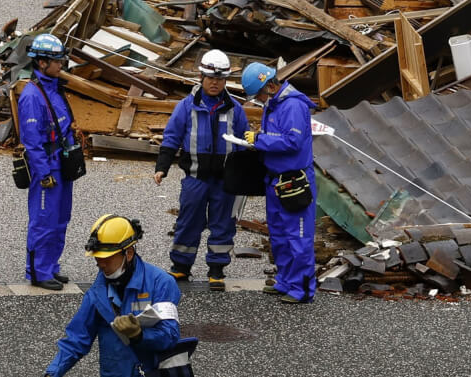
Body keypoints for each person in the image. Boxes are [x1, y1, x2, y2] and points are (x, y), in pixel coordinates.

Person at [44, 214, 196, 377]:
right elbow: (76, 340)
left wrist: (139, 335)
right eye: (97, 257)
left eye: (107, 258)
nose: (100, 264)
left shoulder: (161, 283)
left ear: (128, 253)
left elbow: (170, 336)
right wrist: (52, 373)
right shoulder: (97, 292)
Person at [154, 48, 249, 291]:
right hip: (195, 178)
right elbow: (172, 137)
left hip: (225, 181)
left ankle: (216, 270)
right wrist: (162, 167)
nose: (215, 83)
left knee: (223, 224)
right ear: (202, 77)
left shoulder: (235, 109)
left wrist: (245, 175)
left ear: (225, 80)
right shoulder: (186, 107)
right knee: (188, 222)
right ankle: (181, 267)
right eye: (211, 78)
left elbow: (244, 143)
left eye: (220, 79)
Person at [240, 61, 317, 304]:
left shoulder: (292, 105)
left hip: (294, 181)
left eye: (259, 95)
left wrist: (260, 139)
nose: (259, 100)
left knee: (298, 237)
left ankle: (302, 289)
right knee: (280, 235)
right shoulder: (273, 105)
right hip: (276, 181)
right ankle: (286, 280)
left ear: (271, 86)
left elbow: (291, 141)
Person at [18, 32, 77, 291]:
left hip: (61, 165)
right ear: (42, 63)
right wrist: (43, 172)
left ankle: (51, 266)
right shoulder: (32, 96)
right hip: (48, 168)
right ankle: (38, 272)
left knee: (60, 218)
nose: (61, 65)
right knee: (44, 220)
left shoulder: (54, 89)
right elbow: (31, 141)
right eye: (57, 61)